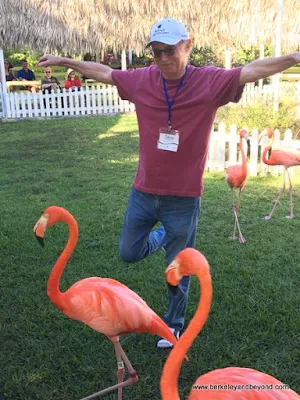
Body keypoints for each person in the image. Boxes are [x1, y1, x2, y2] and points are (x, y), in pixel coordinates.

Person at [38, 17, 300, 348]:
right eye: (157, 52)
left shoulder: (209, 81)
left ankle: (174, 324)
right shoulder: (143, 80)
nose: (163, 59)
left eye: (170, 51)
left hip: (183, 198)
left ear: (187, 46)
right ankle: (161, 237)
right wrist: (63, 62)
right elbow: (103, 72)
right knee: (128, 252)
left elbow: (252, 70)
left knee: (178, 270)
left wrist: (294, 58)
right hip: (143, 192)